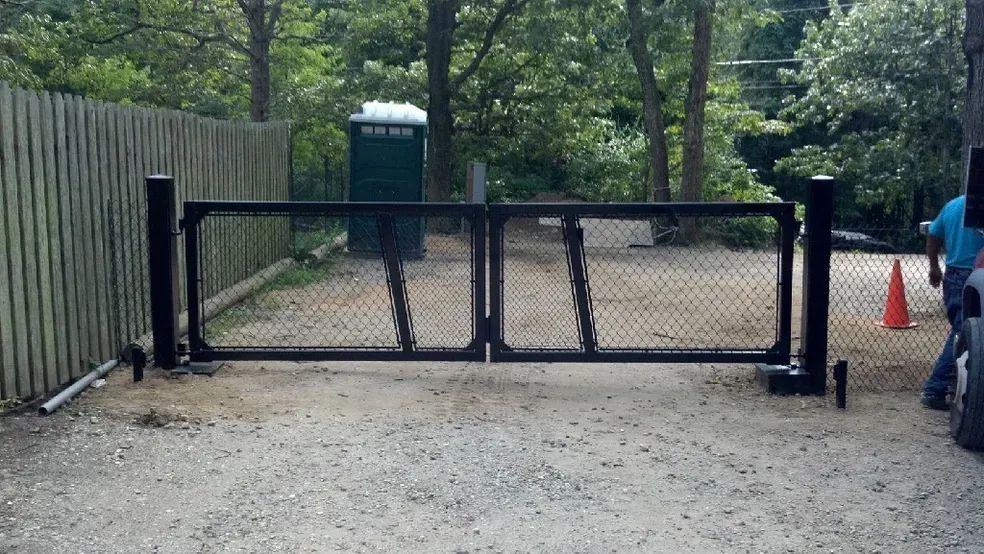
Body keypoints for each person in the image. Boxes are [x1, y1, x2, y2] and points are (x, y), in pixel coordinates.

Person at [922, 195, 984, 409]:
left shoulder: (953, 205)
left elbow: (933, 234)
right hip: (975, 273)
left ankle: (954, 383)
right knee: (964, 332)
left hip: (953, 274)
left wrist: (934, 266)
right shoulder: (978, 205)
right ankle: (936, 387)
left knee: (963, 330)